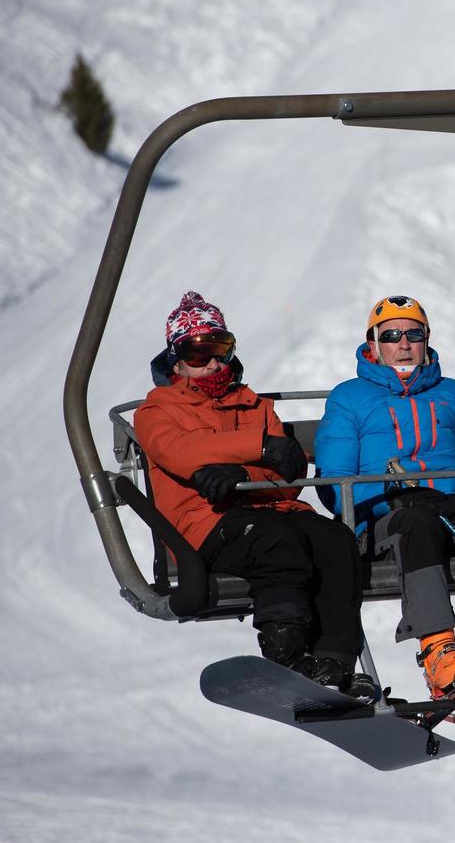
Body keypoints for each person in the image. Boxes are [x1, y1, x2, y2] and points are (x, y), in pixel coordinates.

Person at [136, 292, 374, 697]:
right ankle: (288, 656)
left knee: (335, 540)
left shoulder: (254, 405)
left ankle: (335, 661)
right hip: (203, 525)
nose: (212, 364)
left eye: (220, 350)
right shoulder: (158, 411)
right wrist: (259, 449)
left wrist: (238, 472)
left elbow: (287, 472)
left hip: (274, 508)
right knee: (275, 542)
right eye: (198, 355)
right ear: (176, 360)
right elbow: (181, 453)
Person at [314, 295, 455, 729]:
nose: (403, 343)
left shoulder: (452, 395)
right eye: (391, 335)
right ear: (373, 344)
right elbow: (334, 478)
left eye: (413, 334)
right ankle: (439, 653)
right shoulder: (349, 399)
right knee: (416, 524)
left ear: (427, 339)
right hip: (388, 518)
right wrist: (387, 496)